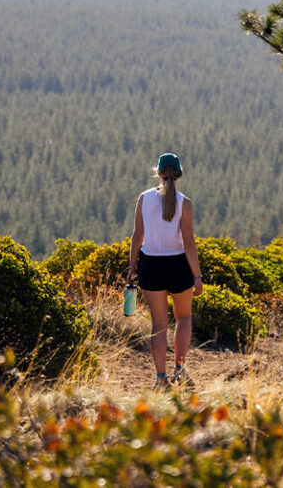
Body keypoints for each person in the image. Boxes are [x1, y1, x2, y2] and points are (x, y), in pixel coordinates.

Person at [127, 152, 203, 389]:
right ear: (179, 174)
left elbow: (137, 238)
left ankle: (160, 378)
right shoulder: (185, 203)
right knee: (184, 318)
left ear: (158, 173)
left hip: (150, 265)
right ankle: (179, 369)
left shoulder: (144, 199)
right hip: (178, 265)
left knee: (159, 324)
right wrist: (197, 276)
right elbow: (189, 243)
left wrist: (131, 268)